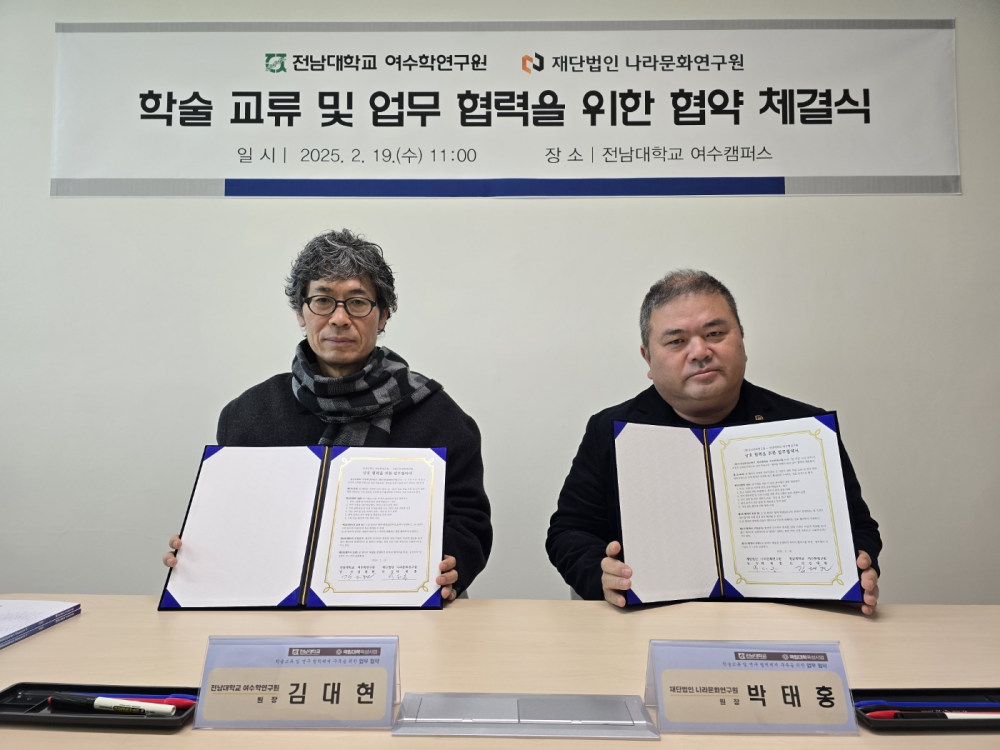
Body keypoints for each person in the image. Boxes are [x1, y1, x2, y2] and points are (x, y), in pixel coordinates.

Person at [163, 229, 492, 600]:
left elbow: (469, 520)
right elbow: (234, 520)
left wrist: (453, 562)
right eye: (322, 300)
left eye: (357, 302)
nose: (339, 318)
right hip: (270, 609)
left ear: (382, 316)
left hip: (401, 605)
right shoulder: (247, 414)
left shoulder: (438, 414)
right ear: (301, 313)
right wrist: (200, 552)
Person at [546, 270, 882, 614]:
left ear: (742, 341)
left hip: (787, 617)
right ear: (648, 358)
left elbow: (858, 527)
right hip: (651, 620)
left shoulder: (803, 427)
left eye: (715, 333)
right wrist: (601, 574)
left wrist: (860, 564)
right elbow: (569, 532)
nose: (700, 351)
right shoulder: (611, 430)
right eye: (676, 341)